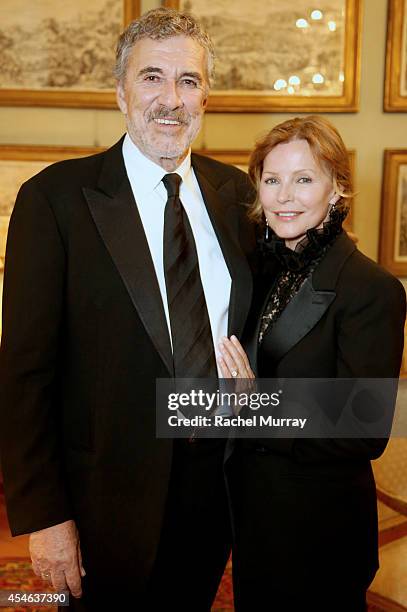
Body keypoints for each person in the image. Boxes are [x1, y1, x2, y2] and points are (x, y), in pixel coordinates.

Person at [0, 8, 256, 611]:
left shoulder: (239, 196)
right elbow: (24, 372)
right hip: (100, 503)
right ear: (120, 91)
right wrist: (45, 517)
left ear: (206, 95)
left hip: (215, 489)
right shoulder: (55, 199)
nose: (172, 99)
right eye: (152, 77)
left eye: (188, 81)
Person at [218, 116, 406, 611]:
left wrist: (254, 404)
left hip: (320, 529)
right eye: (272, 179)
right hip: (257, 519)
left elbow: (364, 426)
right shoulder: (257, 271)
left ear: (337, 189)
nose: (284, 196)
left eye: (304, 179)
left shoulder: (371, 289)